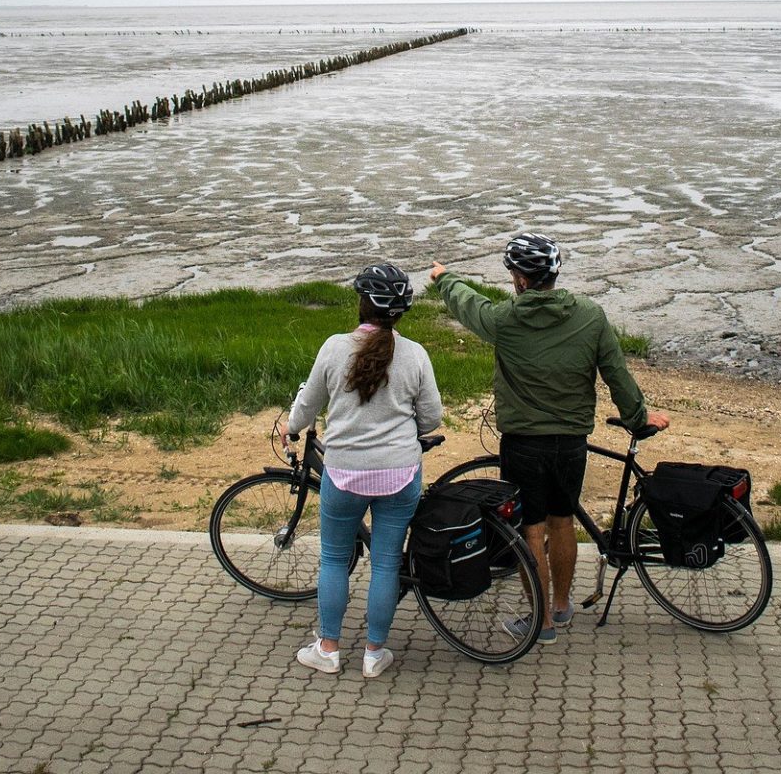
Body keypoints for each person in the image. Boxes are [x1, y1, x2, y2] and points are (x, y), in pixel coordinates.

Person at [430, 232, 666, 644]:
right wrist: (638, 417)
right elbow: (617, 376)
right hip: (572, 442)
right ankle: (560, 606)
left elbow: (469, 306)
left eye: (512, 274)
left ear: (521, 280)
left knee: (531, 532)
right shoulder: (591, 316)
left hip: (524, 443)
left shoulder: (505, 320)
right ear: (554, 274)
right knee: (563, 522)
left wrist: (444, 277)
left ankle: (540, 624)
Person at [285, 263, 442, 679]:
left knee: (334, 560)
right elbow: (432, 418)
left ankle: (329, 648)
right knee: (387, 562)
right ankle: (374, 654)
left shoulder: (335, 348)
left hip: (344, 475)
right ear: (399, 312)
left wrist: (290, 427)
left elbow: (308, 404)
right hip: (400, 475)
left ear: (363, 304)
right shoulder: (415, 354)